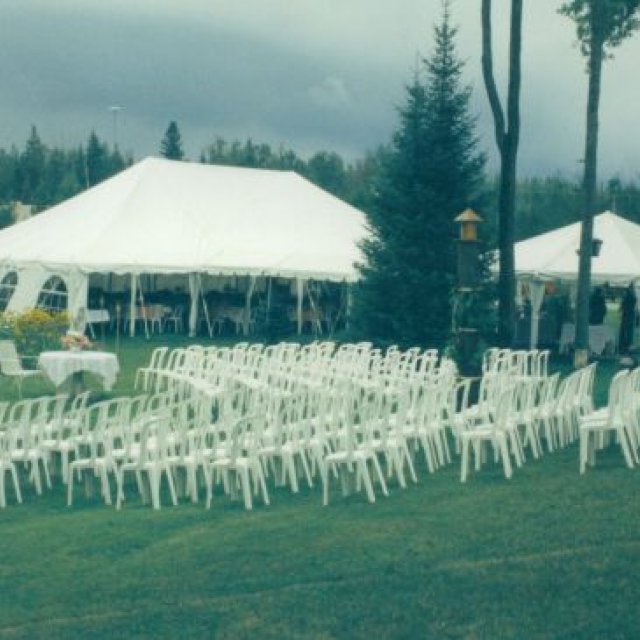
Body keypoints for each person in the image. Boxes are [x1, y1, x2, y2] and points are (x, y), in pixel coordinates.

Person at [619, 284, 636, 354]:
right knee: (628, 332)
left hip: (626, 316)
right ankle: (627, 346)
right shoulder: (632, 297)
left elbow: (621, 307)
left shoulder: (626, 297)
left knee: (624, 332)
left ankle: (623, 346)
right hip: (629, 316)